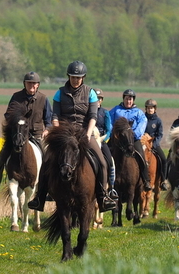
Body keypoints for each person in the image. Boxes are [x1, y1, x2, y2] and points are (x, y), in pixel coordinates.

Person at [28, 61, 117, 213]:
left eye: (79, 77)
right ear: (68, 76)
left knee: (102, 162)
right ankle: (40, 197)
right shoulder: (60, 93)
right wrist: (57, 130)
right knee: (47, 159)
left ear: (83, 78)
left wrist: (88, 134)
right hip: (65, 134)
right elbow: (55, 115)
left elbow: (93, 116)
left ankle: (103, 197)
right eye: (73, 77)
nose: (76, 80)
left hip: (84, 132)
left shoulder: (90, 93)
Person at [0, 71, 52, 195]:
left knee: (47, 158)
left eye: (34, 83)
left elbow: (49, 119)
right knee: (3, 153)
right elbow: (8, 115)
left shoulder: (43, 99)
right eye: (29, 83)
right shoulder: (16, 97)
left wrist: (47, 130)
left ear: (38, 85)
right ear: (24, 84)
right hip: (18, 135)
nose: (31, 85)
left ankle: (47, 189)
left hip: (36, 135)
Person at [109, 89, 153, 191]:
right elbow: (109, 121)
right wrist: (114, 133)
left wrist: (134, 135)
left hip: (132, 140)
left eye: (130, 99)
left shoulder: (138, 112)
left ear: (133, 100)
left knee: (141, 156)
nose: (128, 101)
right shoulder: (116, 110)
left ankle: (146, 180)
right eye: (127, 99)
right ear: (123, 99)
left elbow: (142, 123)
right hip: (118, 140)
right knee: (106, 155)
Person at [94, 88, 117, 198]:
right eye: (95, 98)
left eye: (99, 99)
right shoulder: (87, 112)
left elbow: (109, 130)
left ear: (102, 100)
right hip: (89, 140)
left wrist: (104, 139)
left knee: (110, 161)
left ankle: (111, 188)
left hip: (101, 141)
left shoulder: (105, 113)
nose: (97, 100)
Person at [143, 99, 168, 190]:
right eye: (148, 108)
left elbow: (160, 134)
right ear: (146, 109)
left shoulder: (158, 121)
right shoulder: (142, 119)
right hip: (143, 144)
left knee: (164, 159)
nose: (150, 110)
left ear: (155, 109)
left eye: (152, 108)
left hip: (153, 144)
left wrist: (154, 143)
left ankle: (163, 180)